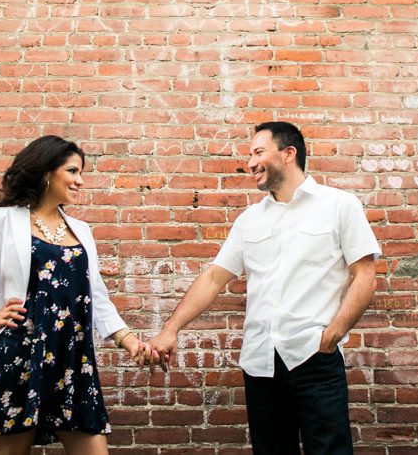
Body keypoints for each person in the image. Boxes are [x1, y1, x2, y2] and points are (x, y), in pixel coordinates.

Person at [149, 121, 381, 455]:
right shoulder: (249, 219)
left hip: (314, 357)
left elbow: (365, 276)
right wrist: (171, 329)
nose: (251, 162)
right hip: (260, 364)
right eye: (249, 154)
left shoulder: (339, 205)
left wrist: (332, 334)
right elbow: (214, 277)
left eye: (259, 152)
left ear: (289, 154)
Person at [0, 135, 151, 455]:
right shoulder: (2, 220)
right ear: (47, 172)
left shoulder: (81, 231)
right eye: (73, 171)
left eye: (81, 173)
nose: (80, 181)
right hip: (19, 356)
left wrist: (130, 342)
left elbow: (97, 298)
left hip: (74, 362)